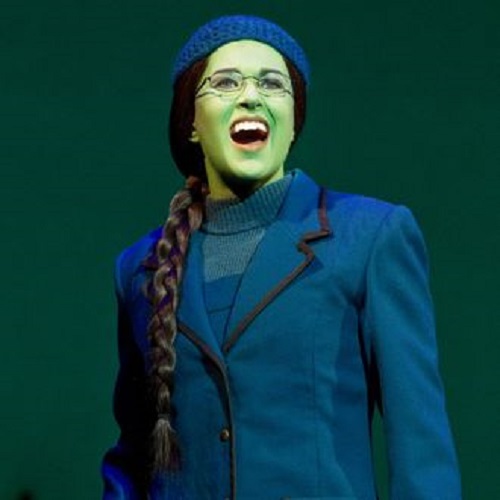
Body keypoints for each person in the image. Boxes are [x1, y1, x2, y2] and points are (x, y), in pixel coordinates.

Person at [101, 14, 461, 500]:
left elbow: (421, 447)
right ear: (191, 122)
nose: (251, 96)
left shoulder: (369, 237)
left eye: (272, 84)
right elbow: (133, 454)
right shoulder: (140, 269)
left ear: (293, 122)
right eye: (226, 82)